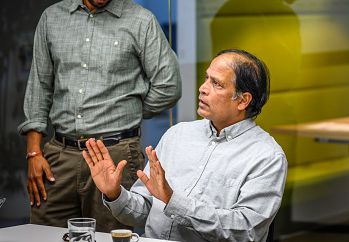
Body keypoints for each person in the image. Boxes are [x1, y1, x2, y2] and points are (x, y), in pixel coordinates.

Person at [17, 0, 182, 232]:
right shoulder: (52, 19)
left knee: (114, 237)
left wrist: (126, 108)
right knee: (43, 236)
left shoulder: (140, 21)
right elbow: (39, 87)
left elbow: (168, 85)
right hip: (58, 156)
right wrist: (34, 153)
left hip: (116, 154)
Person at [83, 49, 287, 241]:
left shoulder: (267, 156)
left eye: (217, 84)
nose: (203, 88)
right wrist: (115, 193)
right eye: (207, 78)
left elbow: (246, 231)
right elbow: (144, 212)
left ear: (243, 101)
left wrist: (174, 202)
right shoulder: (178, 134)